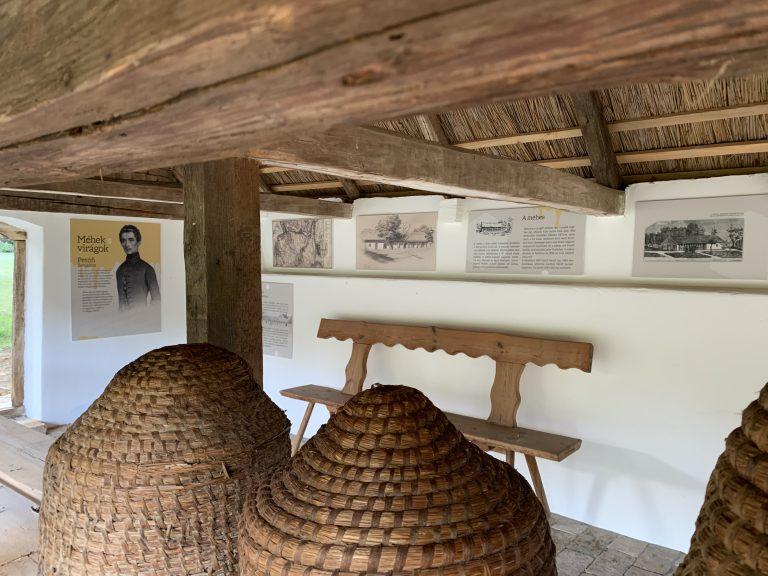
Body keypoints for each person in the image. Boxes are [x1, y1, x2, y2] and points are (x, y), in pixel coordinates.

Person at [115, 225, 160, 311]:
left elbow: (156, 300)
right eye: (123, 240)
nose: (127, 244)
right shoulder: (119, 271)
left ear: (138, 242)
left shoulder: (147, 269)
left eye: (131, 240)